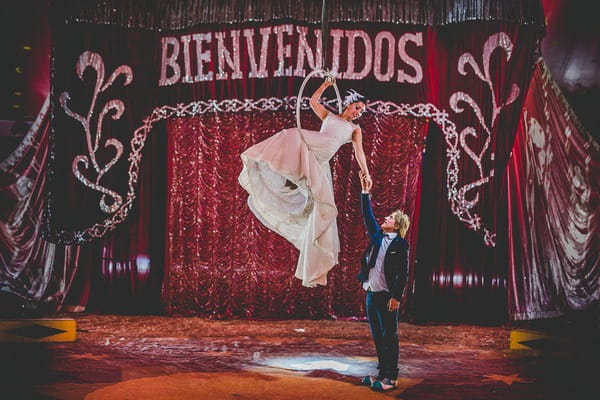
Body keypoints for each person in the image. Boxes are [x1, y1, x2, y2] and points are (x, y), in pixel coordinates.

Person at [238, 77, 370, 287]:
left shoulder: (355, 129)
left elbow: (359, 152)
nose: (358, 113)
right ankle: (280, 172)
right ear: (349, 103)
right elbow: (313, 102)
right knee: (291, 135)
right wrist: (326, 85)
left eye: (361, 111)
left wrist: (366, 173)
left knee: (323, 207)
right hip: (314, 145)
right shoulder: (330, 116)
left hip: (320, 160)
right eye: (357, 107)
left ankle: (315, 263)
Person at [357, 170, 410, 392]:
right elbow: (367, 215)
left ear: (396, 225)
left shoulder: (400, 245)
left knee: (390, 335)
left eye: (389, 218)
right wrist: (365, 192)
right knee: (378, 335)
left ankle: (391, 377)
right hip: (372, 294)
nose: (384, 219)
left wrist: (397, 297)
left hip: (388, 298)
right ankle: (382, 372)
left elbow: (403, 273)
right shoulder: (377, 237)